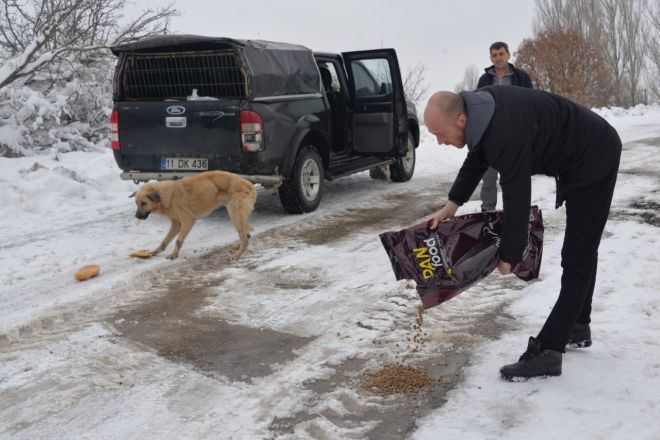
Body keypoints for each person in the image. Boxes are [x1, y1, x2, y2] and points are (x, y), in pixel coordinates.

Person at [423, 87, 621, 380]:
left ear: (461, 119)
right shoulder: (481, 112)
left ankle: (548, 352)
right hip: (582, 151)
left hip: (594, 155)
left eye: (440, 133)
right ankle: (576, 325)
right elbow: (478, 155)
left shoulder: (504, 132)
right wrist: (453, 203)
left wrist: (510, 254)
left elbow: (517, 197)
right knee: (582, 251)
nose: (439, 142)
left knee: (577, 255)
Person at [476, 41, 533, 212]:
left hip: (516, 136)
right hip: (491, 136)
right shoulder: (485, 80)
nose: (498, 58)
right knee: (488, 179)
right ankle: (487, 213)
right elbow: (478, 106)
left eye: (501, 54)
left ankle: (517, 212)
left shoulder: (522, 78)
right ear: (491, 58)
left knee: (515, 178)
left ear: (508, 54)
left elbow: (531, 104)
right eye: (495, 55)